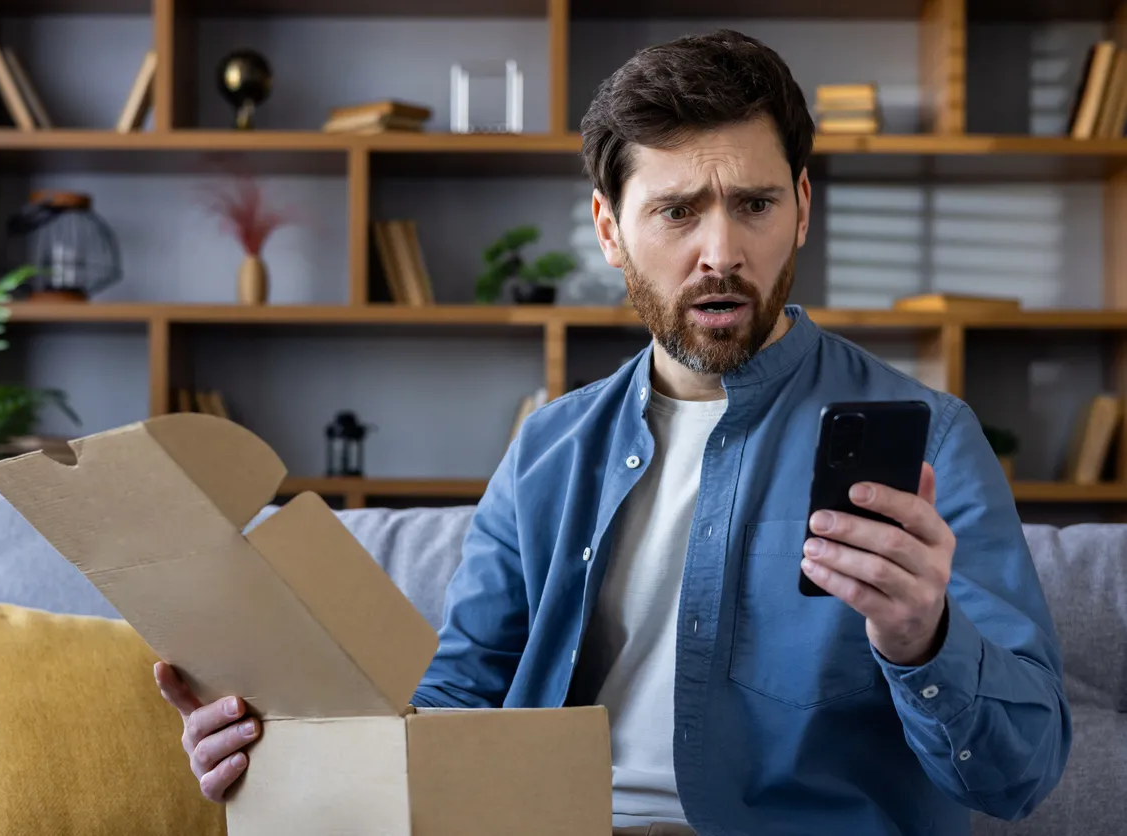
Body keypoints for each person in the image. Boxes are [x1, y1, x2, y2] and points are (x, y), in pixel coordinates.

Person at [156, 29, 1072, 836]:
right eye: (677, 212)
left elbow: (1020, 776)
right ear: (610, 229)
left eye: (754, 204)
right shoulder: (548, 447)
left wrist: (924, 639)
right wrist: (286, 743)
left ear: (802, 206)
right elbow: (456, 707)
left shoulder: (933, 444)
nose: (722, 252)